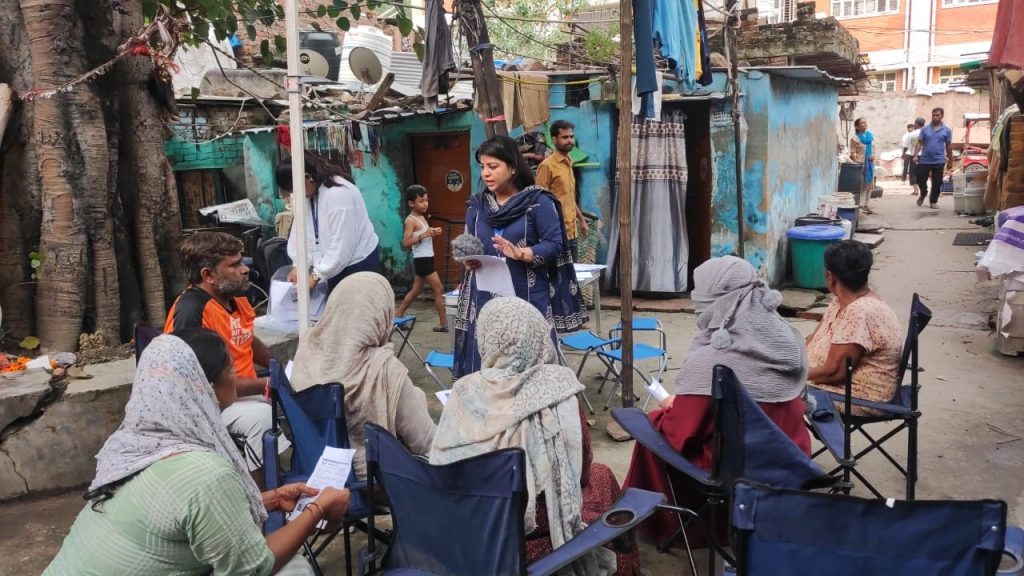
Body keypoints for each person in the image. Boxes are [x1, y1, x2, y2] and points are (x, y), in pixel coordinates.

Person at [45, 331, 351, 576]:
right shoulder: (207, 473)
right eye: (230, 367)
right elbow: (253, 569)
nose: (236, 374)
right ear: (208, 388)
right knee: (293, 569)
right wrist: (317, 509)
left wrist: (268, 500)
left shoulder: (131, 446)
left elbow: (178, 513)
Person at [431, 297, 638, 576]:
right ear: (538, 336)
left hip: (471, 527)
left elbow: (441, 463)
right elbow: (581, 471)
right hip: (534, 538)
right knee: (602, 477)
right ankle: (626, 568)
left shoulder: (463, 391)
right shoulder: (559, 390)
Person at [622, 256, 810, 546]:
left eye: (700, 299)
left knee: (652, 428)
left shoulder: (713, 361)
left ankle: (669, 525)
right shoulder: (786, 339)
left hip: (737, 467)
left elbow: (681, 434)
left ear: (720, 303)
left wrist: (671, 408)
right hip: (791, 456)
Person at [453, 135, 587, 378]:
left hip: (528, 296)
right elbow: (469, 242)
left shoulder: (538, 203)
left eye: (493, 166)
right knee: (488, 365)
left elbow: (555, 244)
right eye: (482, 167)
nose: (486, 173)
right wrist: (469, 258)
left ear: (513, 167)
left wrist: (521, 253)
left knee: (532, 364)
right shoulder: (477, 206)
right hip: (485, 300)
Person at [290, 272, 436, 481]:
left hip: (314, 468)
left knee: (415, 395)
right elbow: (426, 443)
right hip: (370, 480)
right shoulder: (384, 369)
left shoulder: (307, 348)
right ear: (381, 315)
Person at [165, 231, 287, 475]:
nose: (245, 269)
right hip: (210, 406)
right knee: (262, 418)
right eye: (234, 265)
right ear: (208, 275)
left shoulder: (237, 300)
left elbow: (248, 340)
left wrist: (280, 368)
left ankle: (283, 477)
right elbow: (201, 383)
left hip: (242, 394)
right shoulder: (192, 311)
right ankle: (261, 493)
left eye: (242, 261)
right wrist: (266, 384)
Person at [807, 240, 903, 415]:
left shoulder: (860, 312)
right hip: (826, 379)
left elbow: (834, 373)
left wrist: (788, 376)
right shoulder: (841, 301)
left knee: (768, 390)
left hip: (857, 396)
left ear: (830, 277)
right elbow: (814, 338)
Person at [276, 151, 380, 293]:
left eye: (293, 188)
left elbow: (341, 245)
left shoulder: (339, 194)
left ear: (307, 177)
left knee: (352, 303)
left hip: (357, 263)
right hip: (331, 263)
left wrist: (316, 275)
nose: (293, 194)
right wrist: (298, 265)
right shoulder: (310, 193)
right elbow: (300, 231)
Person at [395, 185, 448, 332]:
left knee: (416, 290)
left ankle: (397, 315)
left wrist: (433, 232)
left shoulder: (421, 217)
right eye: (421, 201)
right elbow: (406, 242)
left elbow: (422, 234)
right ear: (411, 203)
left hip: (427, 257)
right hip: (422, 260)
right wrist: (426, 234)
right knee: (439, 288)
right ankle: (444, 323)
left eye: (426, 200)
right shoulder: (410, 220)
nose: (425, 204)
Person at [536, 120, 589, 262]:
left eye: (571, 137)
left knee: (574, 270)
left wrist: (581, 220)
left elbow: (569, 197)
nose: (570, 140)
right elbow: (539, 200)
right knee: (559, 272)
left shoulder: (569, 162)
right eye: (565, 137)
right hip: (556, 233)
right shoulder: (547, 166)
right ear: (554, 140)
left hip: (572, 231)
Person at [914, 107, 954, 209]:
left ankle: (933, 201)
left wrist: (950, 160)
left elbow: (948, 146)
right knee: (920, 179)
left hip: (939, 160)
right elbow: (919, 143)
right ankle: (923, 193)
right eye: (933, 115)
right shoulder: (925, 129)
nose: (935, 117)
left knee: (937, 182)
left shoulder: (947, 130)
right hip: (924, 160)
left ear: (942, 116)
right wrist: (915, 155)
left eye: (937, 115)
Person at [851, 118, 876, 214]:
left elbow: (874, 147)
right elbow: (852, 153)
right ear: (857, 127)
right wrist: (857, 163)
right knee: (861, 185)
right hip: (861, 165)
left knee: (869, 184)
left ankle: (866, 205)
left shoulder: (870, 135)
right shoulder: (855, 138)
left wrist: (873, 155)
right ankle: (859, 205)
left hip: (870, 164)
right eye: (862, 123)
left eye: (865, 122)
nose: (865, 123)